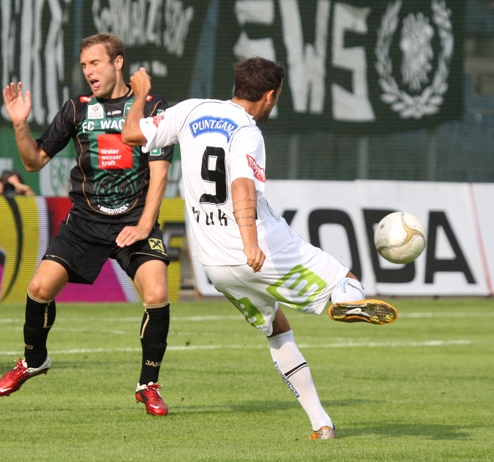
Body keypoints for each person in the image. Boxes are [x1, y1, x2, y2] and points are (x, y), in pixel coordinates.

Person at [121, 58, 398, 438]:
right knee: (346, 280)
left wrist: (138, 96)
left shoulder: (190, 110)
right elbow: (242, 185)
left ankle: (322, 423)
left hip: (214, 265)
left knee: (277, 329)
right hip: (261, 249)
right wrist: (250, 241)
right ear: (270, 95)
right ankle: (345, 301)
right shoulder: (248, 131)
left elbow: (131, 134)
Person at [0, 33, 174, 416]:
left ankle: (148, 385)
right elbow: (33, 161)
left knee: (157, 293)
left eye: (95, 63)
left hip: (134, 221)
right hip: (85, 222)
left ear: (118, 62)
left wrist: (144, 226)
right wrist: (20, 125)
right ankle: (34, 360)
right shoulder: (77, 108)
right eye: (84, 66)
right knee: (39, 287)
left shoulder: (154, 106)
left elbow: (160, 173)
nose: (89, 72)